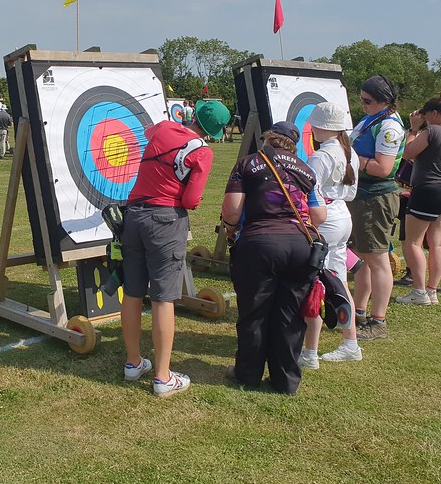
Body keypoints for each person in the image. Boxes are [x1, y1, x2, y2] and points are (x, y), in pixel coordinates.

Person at [121, 100, 230, 397]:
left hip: (132, 215)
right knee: (163, 298)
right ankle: (162, 376)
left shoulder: (165, 127)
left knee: (132, 292)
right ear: (215, 131)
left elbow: (148, 129)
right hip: (165, 221)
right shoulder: (203, 151)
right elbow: (191, 200)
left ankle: (133, 363)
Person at [221, 121, 326, 395]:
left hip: (259, 244)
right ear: (293, 144)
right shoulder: (306, 169)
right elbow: (318, 216)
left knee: (254, 313)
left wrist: (231, 230)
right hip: (301, 247)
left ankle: (248, 375)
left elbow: (232, 212)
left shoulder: (248, 163)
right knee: (290, 315)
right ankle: (286, 381)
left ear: (268, 139)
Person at [299, 103, 362, 368]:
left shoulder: (321, 156)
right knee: (339, 281)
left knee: (316, 283)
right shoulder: (350, 152)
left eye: (314, 124)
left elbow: (307, 192)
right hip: (341, 214)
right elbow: (350, 193)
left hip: (324, 218)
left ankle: (309, 353)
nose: (311, 128)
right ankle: (351, 344)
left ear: (323, 127)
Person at [396, 91, 441, 306]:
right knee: (437, 244)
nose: (424, 119)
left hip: (427, 190)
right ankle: (432, 291)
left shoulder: (433, 131)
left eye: (426, 116)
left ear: (435, 113)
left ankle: (419, 292)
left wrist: (414, 129)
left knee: (413, 243)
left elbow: (408, 153)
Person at [348, 75, 406, 341]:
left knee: (378, 260)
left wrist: (355, 160)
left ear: (384, 101)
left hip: (375, 197)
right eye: (361, 100)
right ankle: (359, 312)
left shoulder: (389, 127)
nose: (363, 105)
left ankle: (378, 321)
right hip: (362, 196)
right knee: (363, 259)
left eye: (367, 101)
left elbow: (383, 168)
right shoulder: (373, 119)